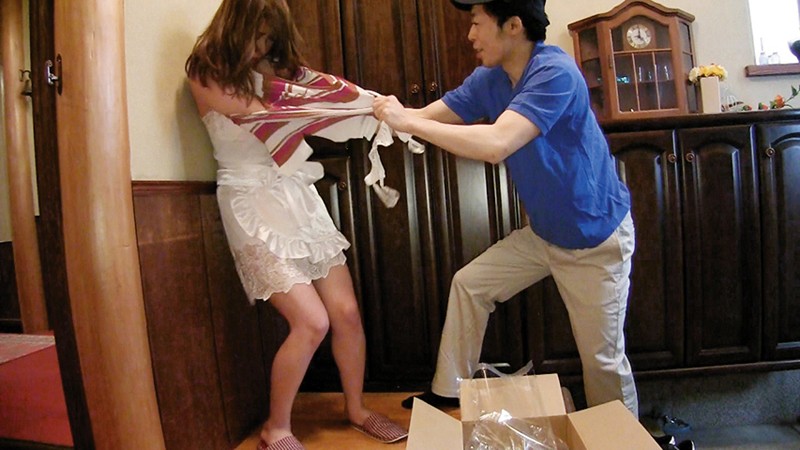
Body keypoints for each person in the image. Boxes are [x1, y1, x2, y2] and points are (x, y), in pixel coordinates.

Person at [373, 0, 639, 417]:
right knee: (470, 284)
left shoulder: (555, 72)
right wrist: (378, 109)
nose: (470, 35)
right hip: (545, 235)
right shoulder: (490, 78)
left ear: (513, 26)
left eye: (477, 24)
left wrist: (407, 122)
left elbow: (497, 143)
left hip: (594, 239)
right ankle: (450, 389)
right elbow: (422, 116)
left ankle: (622, 440)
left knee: (602, 361)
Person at [184, 1, 408, 449]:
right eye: (257, 34)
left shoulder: (278, 70)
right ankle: (276, 428)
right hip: (249, 200)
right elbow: (267, 115)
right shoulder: (205, 69)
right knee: (312, 322)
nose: (263, 46)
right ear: (235, 24)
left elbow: (314, 92)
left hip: (295, 195)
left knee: (346, 313)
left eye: (270, 37)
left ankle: (356, 409)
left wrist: (367, 104)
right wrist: (325, 103)